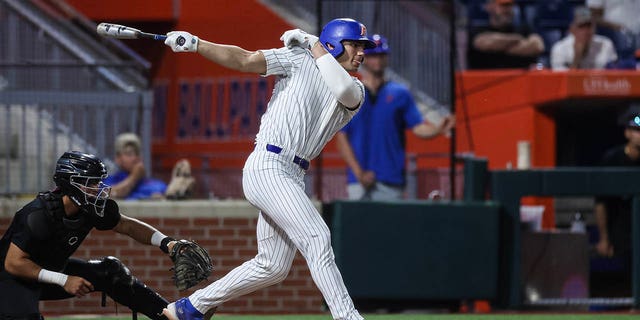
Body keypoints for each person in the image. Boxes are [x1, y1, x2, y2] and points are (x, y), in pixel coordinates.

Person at [160, 18, 375, 320]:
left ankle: (191, 306)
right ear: (334, 43)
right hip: (268, 164)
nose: (362, 52)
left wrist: (311, 41)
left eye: (364, 46)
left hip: (293, 174)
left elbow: (340, 88)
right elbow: (245, 59)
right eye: (355, 44)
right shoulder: (298, 58)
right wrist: (197, 44)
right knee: (317, 237)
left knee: (272, 266)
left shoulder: (356, 88)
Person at [0, 151, 186, 320]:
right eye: (91, 182)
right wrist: (63, 279)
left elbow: (125, 225)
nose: (97, 188)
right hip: (10, 279)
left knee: (111, 272)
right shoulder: (37, 214)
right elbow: (14, 263)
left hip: (49, 271)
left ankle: (169, 316)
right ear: (70, 183)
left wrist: (166, 242)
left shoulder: (90, 208)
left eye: (98, 182)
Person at [335, 34, 454, 201]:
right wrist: (359, 172)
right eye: (374, 55)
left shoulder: (400, 93)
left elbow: (418, 127)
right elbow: (342, 138)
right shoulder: (352, 91)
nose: (378, 59)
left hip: (391, 179)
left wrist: (438, 128)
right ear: (365, 58)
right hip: (358, 181)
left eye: (382, 55)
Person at [592, 111, 640, 296]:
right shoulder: (612, 159)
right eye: (636, 130)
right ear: (627, 133)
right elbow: (601, 201)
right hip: (620, 230)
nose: (639, 135)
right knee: (623, 282)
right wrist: (604, 237)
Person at [467, 0, 545, 69]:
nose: (507, 9)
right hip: (485, 82)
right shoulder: (478, 30)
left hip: (520, 82)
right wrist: (517, 39)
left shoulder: (524, 29)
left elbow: (537, 46)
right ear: (489, 7)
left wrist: (498, 48)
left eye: (510, 5)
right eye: (503, 5)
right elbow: (481, 42)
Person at [550, 6, 617, 70]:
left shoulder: (605, 44)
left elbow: (613, 74)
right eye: (581, 26)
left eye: (589, 25)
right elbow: (562, 80)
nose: (586, 31)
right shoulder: (560, 48)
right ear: (572, 29)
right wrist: (576, 59)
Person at [104, 133, 167, 200]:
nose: (135, 158)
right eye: (129, 154)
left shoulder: (157, 186)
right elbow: (108, 194)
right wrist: (134, 177)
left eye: (137, 153)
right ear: (118, 159)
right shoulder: (108, 182)